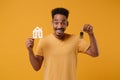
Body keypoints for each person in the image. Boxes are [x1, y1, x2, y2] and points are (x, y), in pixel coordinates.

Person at [26, 7, 99, 80]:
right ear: (52, 23)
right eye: (56, 23)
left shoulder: (76, 39)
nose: (59, 26)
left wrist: (91, 34)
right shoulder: (43, 41)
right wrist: (30, 50)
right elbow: (36, 67)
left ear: (67, 24)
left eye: (63, 23)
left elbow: (95, 53)